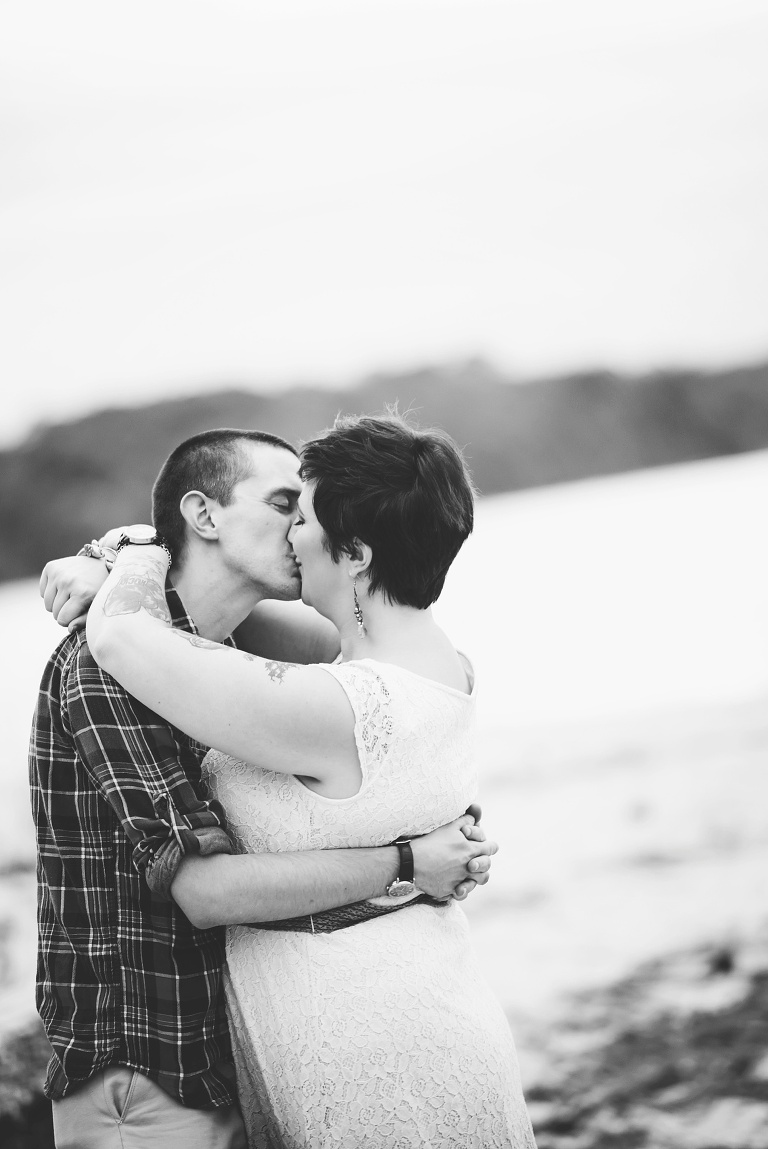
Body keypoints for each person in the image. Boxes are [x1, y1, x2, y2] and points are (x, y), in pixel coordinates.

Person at [31, 426, 497, 1149]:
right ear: (204, 515)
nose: (297, 529)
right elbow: (205, 889)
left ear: (356, 547)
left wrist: (123, 553)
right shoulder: (113, 670)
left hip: (283, 1045)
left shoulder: (249, 663)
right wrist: (409, 860)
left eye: (304, 512)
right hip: (148, 1070)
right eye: (284, 504)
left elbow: (377, 689)